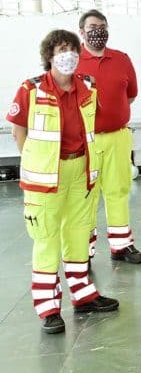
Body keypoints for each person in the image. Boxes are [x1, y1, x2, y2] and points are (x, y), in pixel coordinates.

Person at [6, 29, 119, 334]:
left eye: (71, 49)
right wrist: (35, 161)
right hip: (45, 179)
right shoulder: (31, 90)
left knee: (80, 235)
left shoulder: (88, 87)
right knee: (46, 241)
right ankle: (48, 309)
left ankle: (83, 297)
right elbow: (19, 130)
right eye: (60, 50)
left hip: (80, 172)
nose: (67, 55)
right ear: (49, 56)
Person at [75, 9, 141, 264]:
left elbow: (131, 95)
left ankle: (121, 245)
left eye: (103, 26)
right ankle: (83, 250)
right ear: (81, 32)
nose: (99, 31)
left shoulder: (121, 59)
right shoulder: (73, 61)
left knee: (118, 190)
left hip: (118, 136)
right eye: (93, 26)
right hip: (86, 140)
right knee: (87, 195)